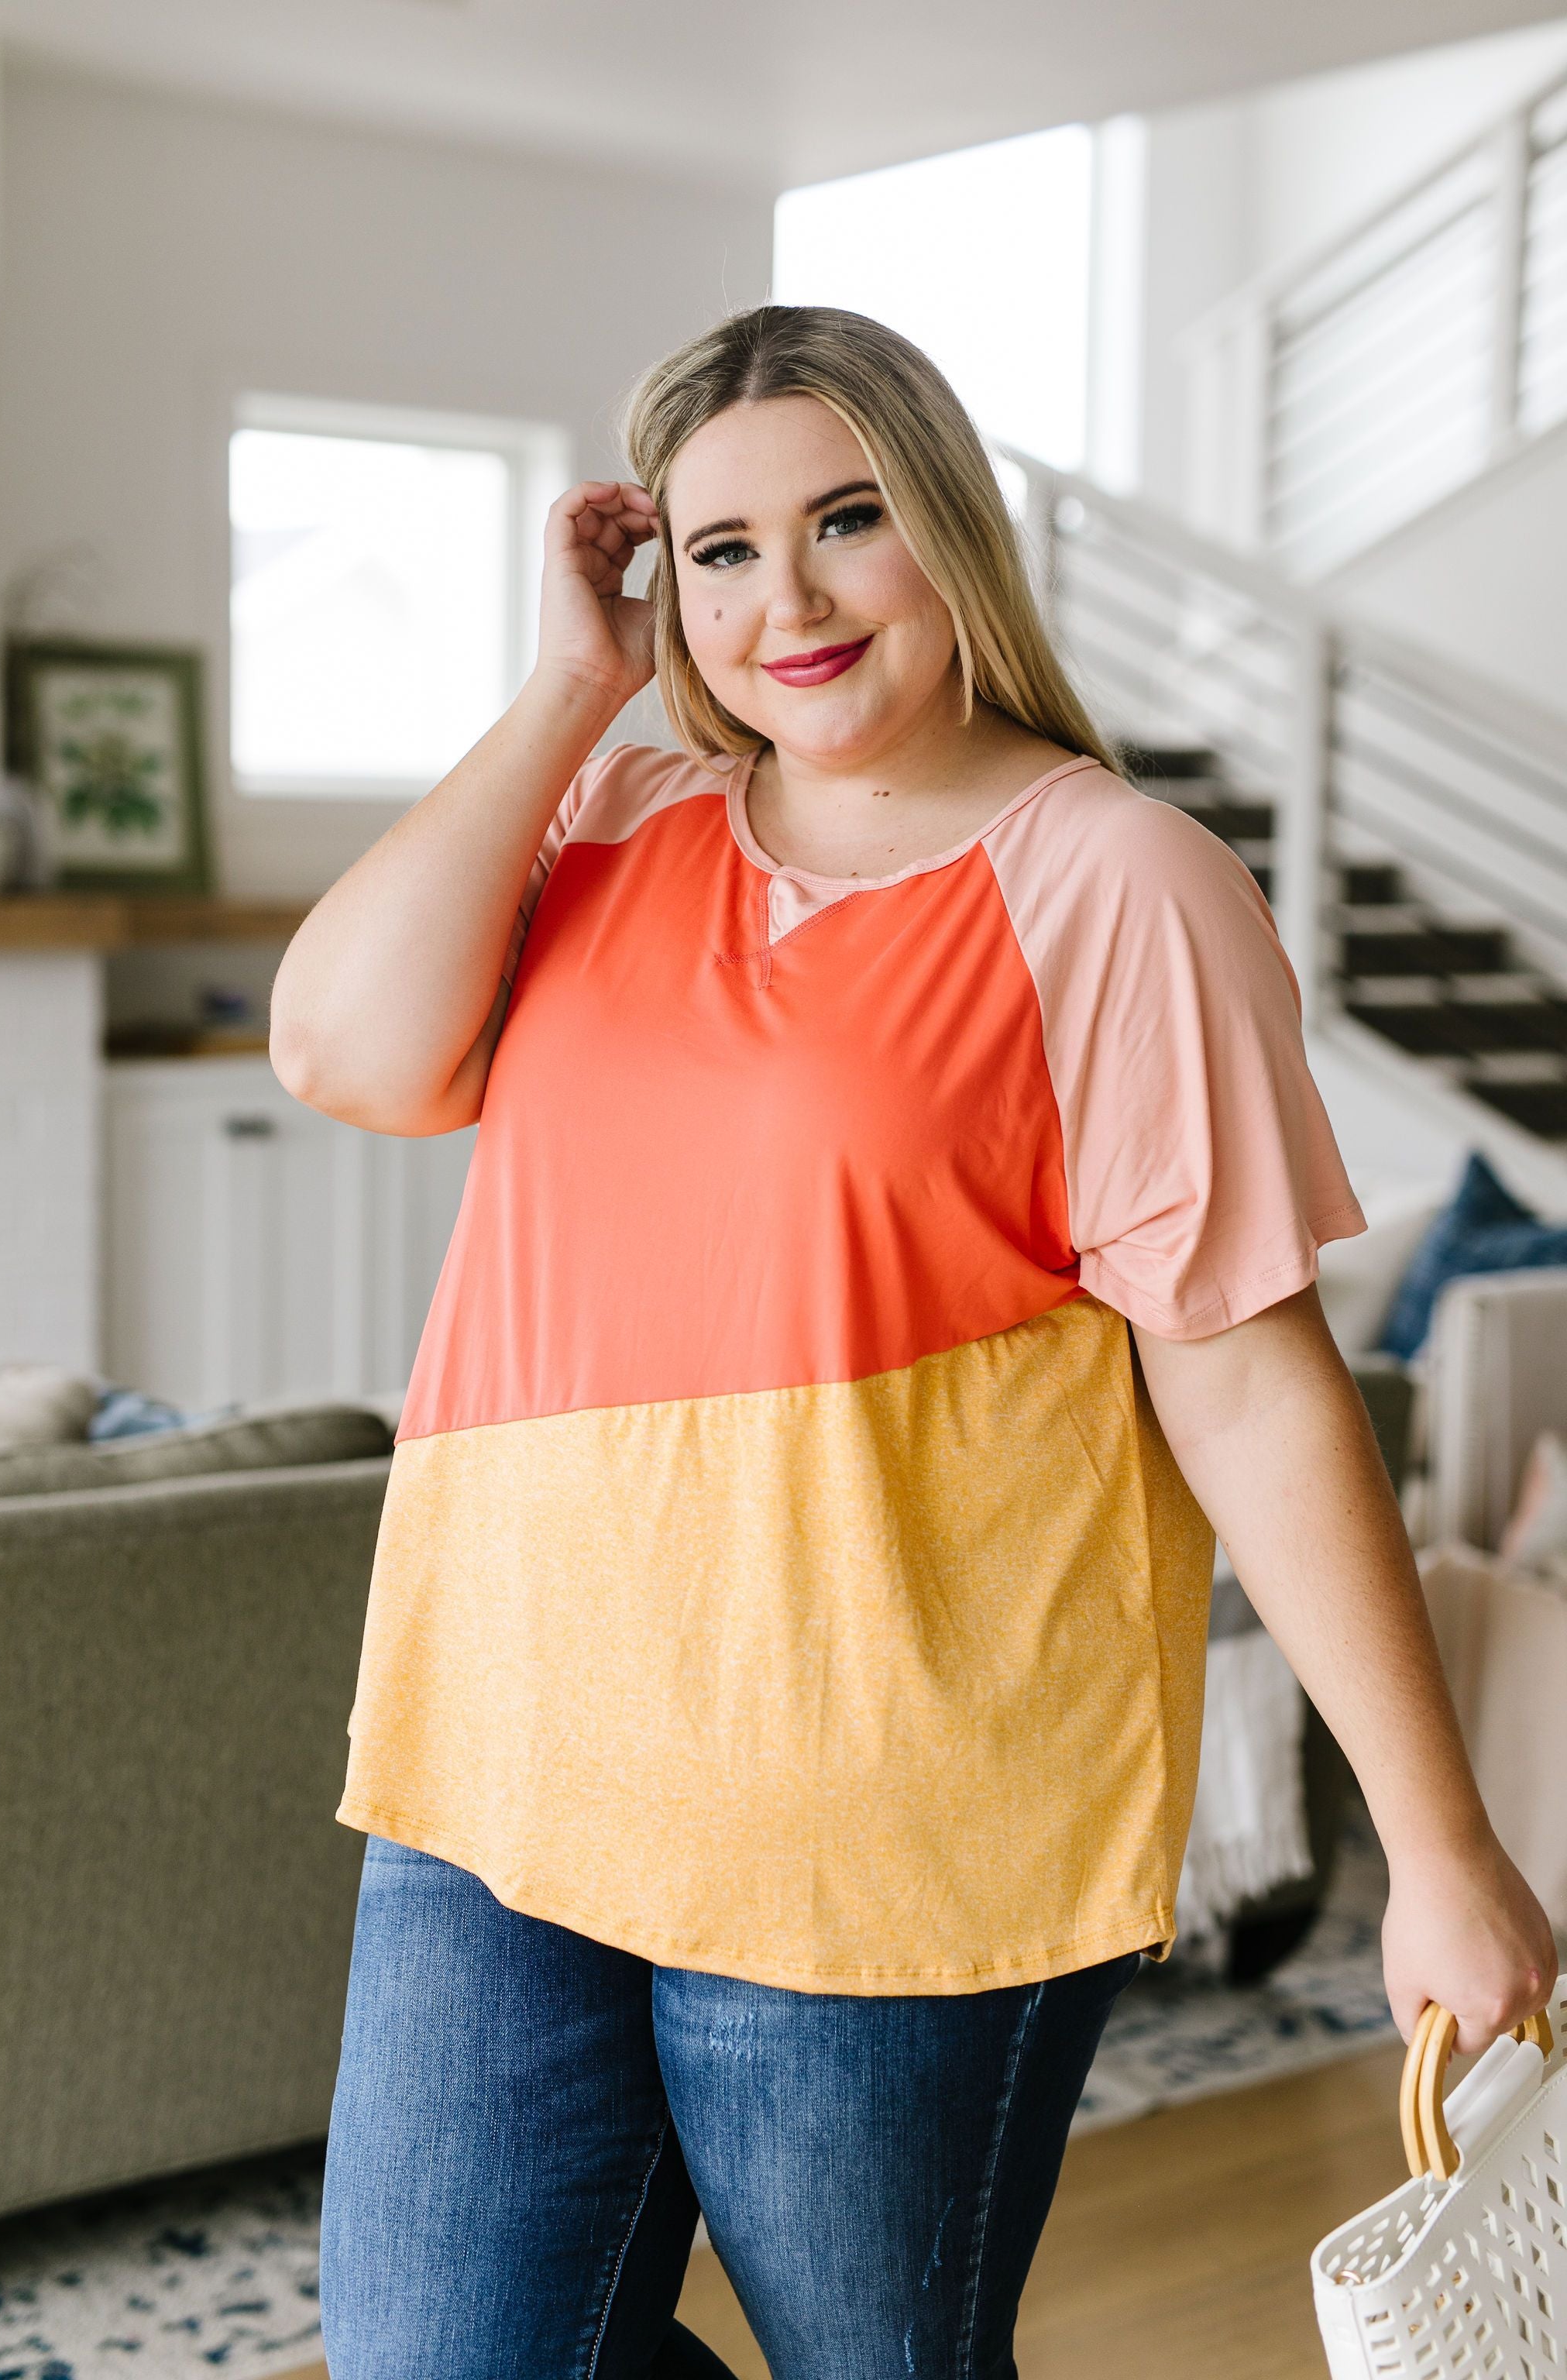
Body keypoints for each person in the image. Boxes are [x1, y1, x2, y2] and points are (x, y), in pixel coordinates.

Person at [270, 304, 1557, 2380]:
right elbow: (342, 1045)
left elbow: (1246, 1379)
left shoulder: (1118, 882)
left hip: (880, 1803)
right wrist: (562, 689)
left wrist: (1442, 1850)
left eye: (848, 519)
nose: (787, 598)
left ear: (950, 526)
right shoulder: (609, 821)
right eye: (720, 550)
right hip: (504, 1757)